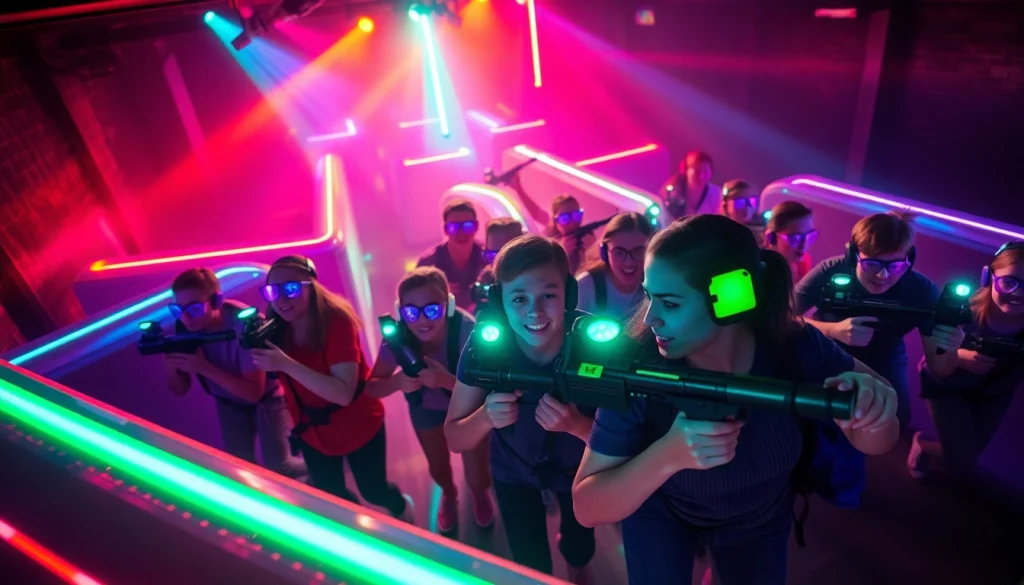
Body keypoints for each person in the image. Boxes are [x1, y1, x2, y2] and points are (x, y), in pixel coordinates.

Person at [572, 215, 899, 585]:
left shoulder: (793, 345)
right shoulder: (639, 364)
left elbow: (878, 442)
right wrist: (667, 456)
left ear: (731, 298)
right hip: (661, 511)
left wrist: (875, 410)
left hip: (759, 517)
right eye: (649, 296)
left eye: (671, 304)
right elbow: (587, 506)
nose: (650, 320)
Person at [445, 235, 596, 583]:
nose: (534, 311)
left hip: (580, 469)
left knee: (580, 546)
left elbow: (627, 441)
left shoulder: (593, 343)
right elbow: (455, 437)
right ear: (500, 303)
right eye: (519, 298)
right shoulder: (484, 346)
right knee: (530, 563)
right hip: (512, 472)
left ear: (569, 295)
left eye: (548, 295)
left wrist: (577, 426)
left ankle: (578, 565)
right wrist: (484, 417)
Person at [249, 255, 414, 521]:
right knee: (332, 495)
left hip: (357, 423)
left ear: (311, 286)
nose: (281, 299)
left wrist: (285, 363)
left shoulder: (336, 320)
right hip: (312, 430)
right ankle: (361, 529)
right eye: (272, 291)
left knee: (373, 491)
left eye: (291, 288)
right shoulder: (276, 326)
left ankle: (401, 508)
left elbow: (343, 393)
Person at [794, 212, 965, 429]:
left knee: (895, 421)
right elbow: (781, 315)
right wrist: (832, 330)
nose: (883, 276)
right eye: (872, 264)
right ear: (852, 254)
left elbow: (941, 369)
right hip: (826, 350)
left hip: (886, 358)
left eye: (895, 266)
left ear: (909, 259)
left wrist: (949, 348)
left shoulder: (922, 290)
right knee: (812, 417)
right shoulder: (830, 270)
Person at [365, 267, 494, 532]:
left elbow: (490, 389)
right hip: (426, 409)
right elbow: (371, 387)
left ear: (448, 306)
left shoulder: (467, 330)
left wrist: (445, 380)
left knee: (478, 471)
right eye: (411, 312)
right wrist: (396, 382)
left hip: (470, 409)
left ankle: (479, 493)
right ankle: (449, 494)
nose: (422, 320)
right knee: (437, 466)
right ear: (400, 311)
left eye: (432, 310)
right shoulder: (397, 339)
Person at [163, 268, 307, 478]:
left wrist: (204, 368)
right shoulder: (183, 327)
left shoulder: (246, 325)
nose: (185, 318)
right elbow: (180, 390)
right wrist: (172, 368)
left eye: (194, 309)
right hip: (228, 403)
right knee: (240, 468)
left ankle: (323, 466)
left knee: (281, 467)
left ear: (215, 302)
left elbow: (253, 393)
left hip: (267, 400)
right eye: (178, 309)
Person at [909, 242, 1024, 481]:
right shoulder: (963, 309)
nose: (1018, 294)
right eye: (1009, 282)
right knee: (961, 463)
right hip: (948, 386)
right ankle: (922, 445)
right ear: (988, 277)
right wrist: (959, 356)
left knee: (969, 456)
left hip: (996, 391)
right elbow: (934, 360)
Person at [575, 212, 653, 320]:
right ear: (604, 252)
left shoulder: (656, 287)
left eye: (638, 252)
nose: (628, 262)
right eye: (619, 252)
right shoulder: (584, 287)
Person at [417, 199, 488, 311]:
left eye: (467, 226)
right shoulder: (429, 262)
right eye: (454, 227)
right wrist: (437, 293)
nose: (461, 233)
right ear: (446, 229)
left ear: (476, 227)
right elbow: (416, 300)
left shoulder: (489, 257)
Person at [659, 151, 721, 223]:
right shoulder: (670, 191)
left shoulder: (717, 194)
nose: (701, 176)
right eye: (697, 171)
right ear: (685, 170)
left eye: (705, 172)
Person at [764, 201, 816, 284]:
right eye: (795, 238)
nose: (804, 245)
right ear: (772, 238)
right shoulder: (759, 274)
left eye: (809, 236)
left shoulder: (804, 262)